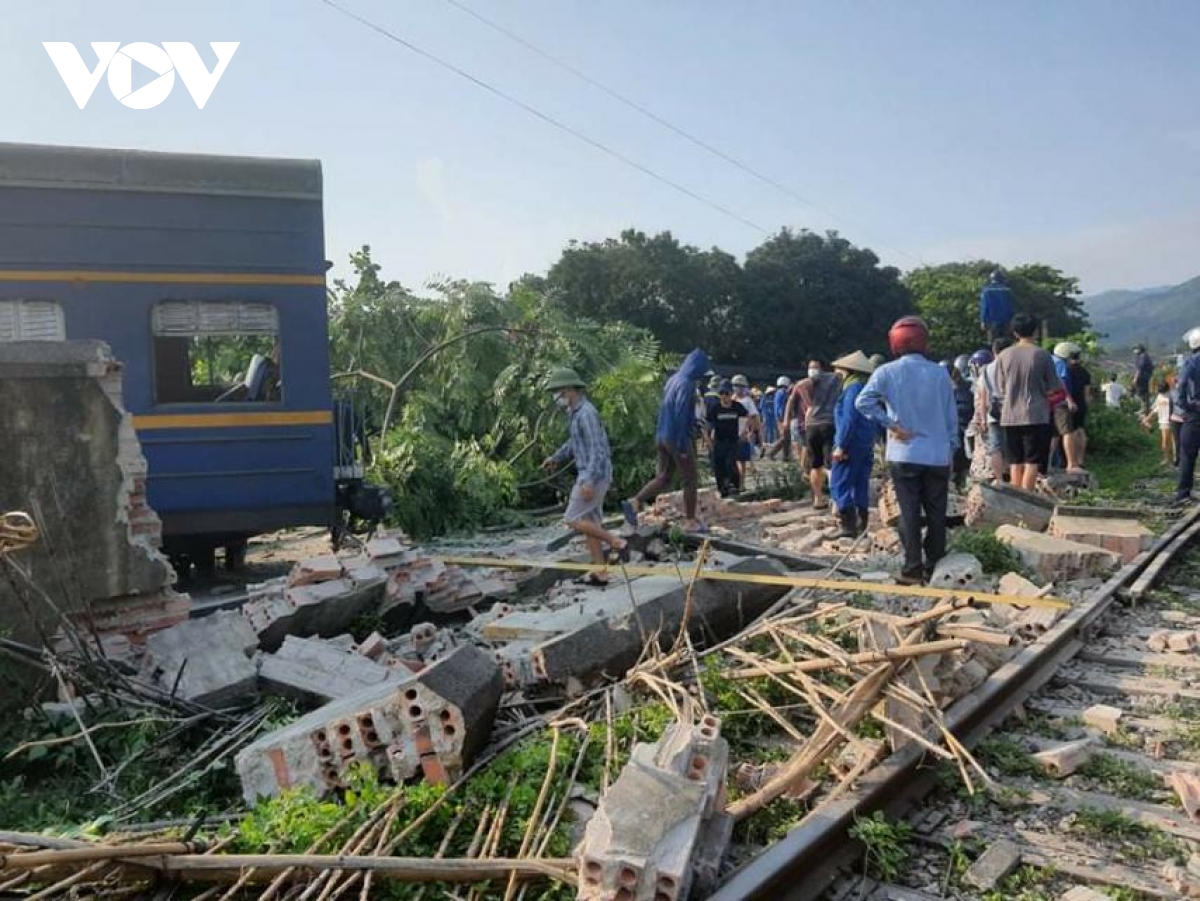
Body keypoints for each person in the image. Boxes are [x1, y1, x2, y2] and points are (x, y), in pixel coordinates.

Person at [856, 316, 958, 585]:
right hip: (937, 455)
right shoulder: (939, 373)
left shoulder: (886, 372)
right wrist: (952, 449)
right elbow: (951, 417)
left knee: (909, 511)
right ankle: (935, 562)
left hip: (904, 454)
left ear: (895, 343)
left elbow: (862, 402)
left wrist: (891, 425)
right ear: (924, 342)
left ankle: (912, 567)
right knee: (937, 512)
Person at [541, 368, 627, 586]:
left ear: (570, 390)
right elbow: (574, 443)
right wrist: (556, 458)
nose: (556, 398)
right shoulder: (575, 414)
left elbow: (597, 449)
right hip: (591, 473)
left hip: (594, 474)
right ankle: (600, 572)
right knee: (590, 522)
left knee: (572, 519)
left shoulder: (586, 413)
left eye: (558, 392)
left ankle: (615, 541)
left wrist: (588, 480)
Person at [624, 348, 709, 531]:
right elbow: (679, 413)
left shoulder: (672, 380)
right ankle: (690, 521)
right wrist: (684, 446)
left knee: (664, 477)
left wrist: (693, 422)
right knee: (690, 479)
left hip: (662, 435)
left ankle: (635, 502)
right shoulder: (687, 384)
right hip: (677, 438)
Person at [994, 314, 1062, 491]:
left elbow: (1000, 387)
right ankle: (1027, 496)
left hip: (1009, 415)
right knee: (1032, 460)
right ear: (1035, 331)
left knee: (1015, 460)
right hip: (1036, 414)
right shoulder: (1042, 355)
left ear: (1015, 333)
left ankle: (1015, 496)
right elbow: (1054, 386)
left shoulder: (1004, 355)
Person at [830, 351, 877, 537]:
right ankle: (861, 526)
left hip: (851, 443)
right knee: (859, 483)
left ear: (848, 370)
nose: (836, 372)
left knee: (838, 483)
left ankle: (848, 526)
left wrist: (841, 444)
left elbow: (849, 419)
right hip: (864, 442)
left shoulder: (852, 388)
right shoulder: (866, 387)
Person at [796, 359, 841, 510]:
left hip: (812, 425)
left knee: (815, 465)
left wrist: (809, 405)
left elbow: (800, 385)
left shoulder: (815, 380)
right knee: (830, 465)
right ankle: (836, 500)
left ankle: (818, 499)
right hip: (829, 423)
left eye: (814, 367)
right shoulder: (835, 378)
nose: (812, 370)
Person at [977, 339, 1011, 483]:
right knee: (1012, 445)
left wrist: (983, 418)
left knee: (995, 447)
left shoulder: (986, 370)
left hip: (993, 412)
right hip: (1011, 411)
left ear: (994, 351)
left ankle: (999, 479)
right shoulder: (1011, 366)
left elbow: (983, 397)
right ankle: (1012, 477)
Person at [706, 380, 747, 496]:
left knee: (730, 463)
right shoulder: (715, 408)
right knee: (719, 465)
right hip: (719, 441)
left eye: (727, 393)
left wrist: (744, 433)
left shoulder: (737, 407)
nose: (724, 396)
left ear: (731, 394)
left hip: (733, 441)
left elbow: (746, 418)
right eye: (722, 393)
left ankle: (734, 486)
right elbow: (707, 426)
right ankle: (722, 489)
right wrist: (708, 441)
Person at [1173, 327, 1200, 505]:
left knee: (1187, 454)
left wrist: (1184, 404)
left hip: (1194, 414)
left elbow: (1181, 384)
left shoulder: (1191, 362)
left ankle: (1183, 493)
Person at [1065, 346, 1092, 471]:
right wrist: (1087, 406)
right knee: (1081, 431)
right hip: (1082, 404)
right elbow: (1087, 394)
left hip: (1070, 404)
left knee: (1072, 432)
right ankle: (1081, 459)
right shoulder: (1085, 372)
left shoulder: (1066, 370)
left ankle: (1073, 460)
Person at [731, 374, 761, 485]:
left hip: (743, 433)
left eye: (739, 386)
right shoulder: (731, 399)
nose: (737, 388)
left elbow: (754, 418)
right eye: (735, 385)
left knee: (741, 460)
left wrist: (753, 431)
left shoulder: (748, 401)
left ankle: (741, 483)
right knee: (733, 459)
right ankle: (736, 482)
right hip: (732, 432)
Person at [949, 363, 975, 488]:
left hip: (962, 429)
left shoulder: (961, 391)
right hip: (963, 429)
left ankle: (959, 479)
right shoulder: (967, 389)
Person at [1142, 381, 1176, 467]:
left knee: (1173, 441)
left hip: (1172, 420)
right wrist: (1147, 418)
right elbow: (1155, 409)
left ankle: (1173, 459)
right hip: (1163, 421)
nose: (1162, 392)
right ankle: (1168, 459)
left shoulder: (1172, 395)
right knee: (1166, 442)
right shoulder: (1159, 396)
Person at [980, 270, 1014, 341]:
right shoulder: (1007, 290)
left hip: (992, 322)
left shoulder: (986, 290)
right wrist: (1011, 320)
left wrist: (983, 321)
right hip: (1006, 321)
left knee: (993, 344)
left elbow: (985, 307)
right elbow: (1010, 307)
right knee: (1005, 343)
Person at [1134, 344, 1155, 409]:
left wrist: (1135, 378)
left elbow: (1140, 368)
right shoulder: (1144, 356)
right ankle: (1146, 408)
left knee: (1142, 394)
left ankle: (1144, 408)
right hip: (1146, 377)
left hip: (1142, 378)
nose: (1135, 351)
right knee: (1145, 394)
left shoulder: (1143, 356)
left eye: (1136, 349)